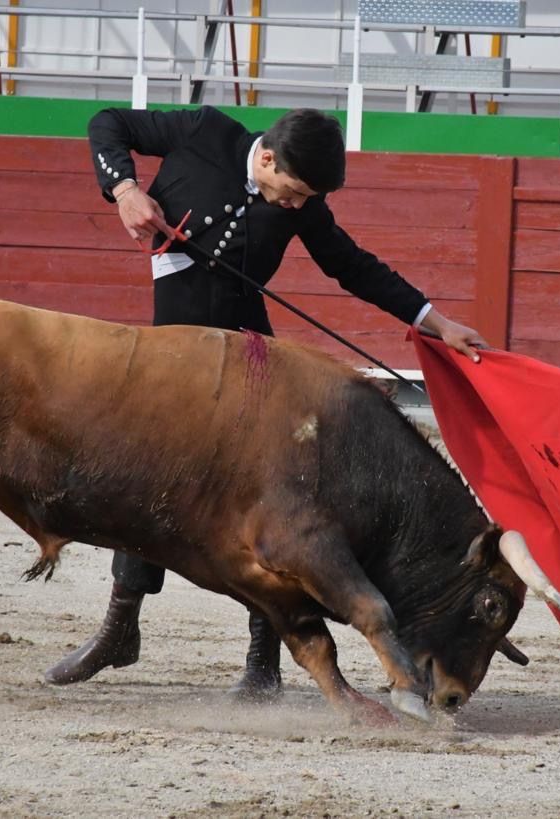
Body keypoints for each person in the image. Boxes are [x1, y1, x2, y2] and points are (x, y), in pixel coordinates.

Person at [44, 105, 488, 699]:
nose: (298, 206)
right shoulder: (203, 131)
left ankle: (263, 665)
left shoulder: (300, 201)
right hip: (173, 361)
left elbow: (351, 266)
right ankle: (120, 628)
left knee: (279, 502)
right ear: (270, 157)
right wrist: (124, 189)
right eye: (294, 192)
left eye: (309, 198)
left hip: (254, 367)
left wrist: (434, 321)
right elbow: (106, 123)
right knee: (144, 481)